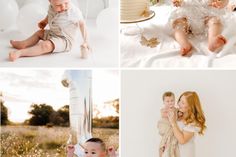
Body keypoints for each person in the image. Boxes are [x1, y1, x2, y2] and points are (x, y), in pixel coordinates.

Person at [9, 0, 90, 61]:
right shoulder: (51, 7)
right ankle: (24, 43)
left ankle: (21, 53)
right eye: (58, 5)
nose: (63, 7)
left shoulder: (74, 12)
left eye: (66, 3)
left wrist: (85, 40)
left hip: (65, 40)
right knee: (39, 33)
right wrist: (44, 21)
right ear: (50, 2)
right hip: (53, 33)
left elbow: (82, 25)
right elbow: (50, 14)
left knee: (46, 46)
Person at [167, 91, 206, 157]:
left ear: (190, 106)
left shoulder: (193, 123)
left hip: (184, 154)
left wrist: (173, 123)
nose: (179, 104)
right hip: (174, 152)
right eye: (179, 100)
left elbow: (182, 140)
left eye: (183, 103)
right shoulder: (178, 115)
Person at [158, 91, 182, 157]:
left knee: (173, 142)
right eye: (167, 101)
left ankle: (171, 152)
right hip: (166, 126)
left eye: (172, 100)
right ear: (164, 102)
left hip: (172, 127)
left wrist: (179, 114)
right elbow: (166, 115)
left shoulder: (176, 109)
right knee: (166, 138)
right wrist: (172, 112)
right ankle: (163, 147)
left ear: (174, 101)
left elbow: (178, 117)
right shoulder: (163, 110)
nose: (170, 103)